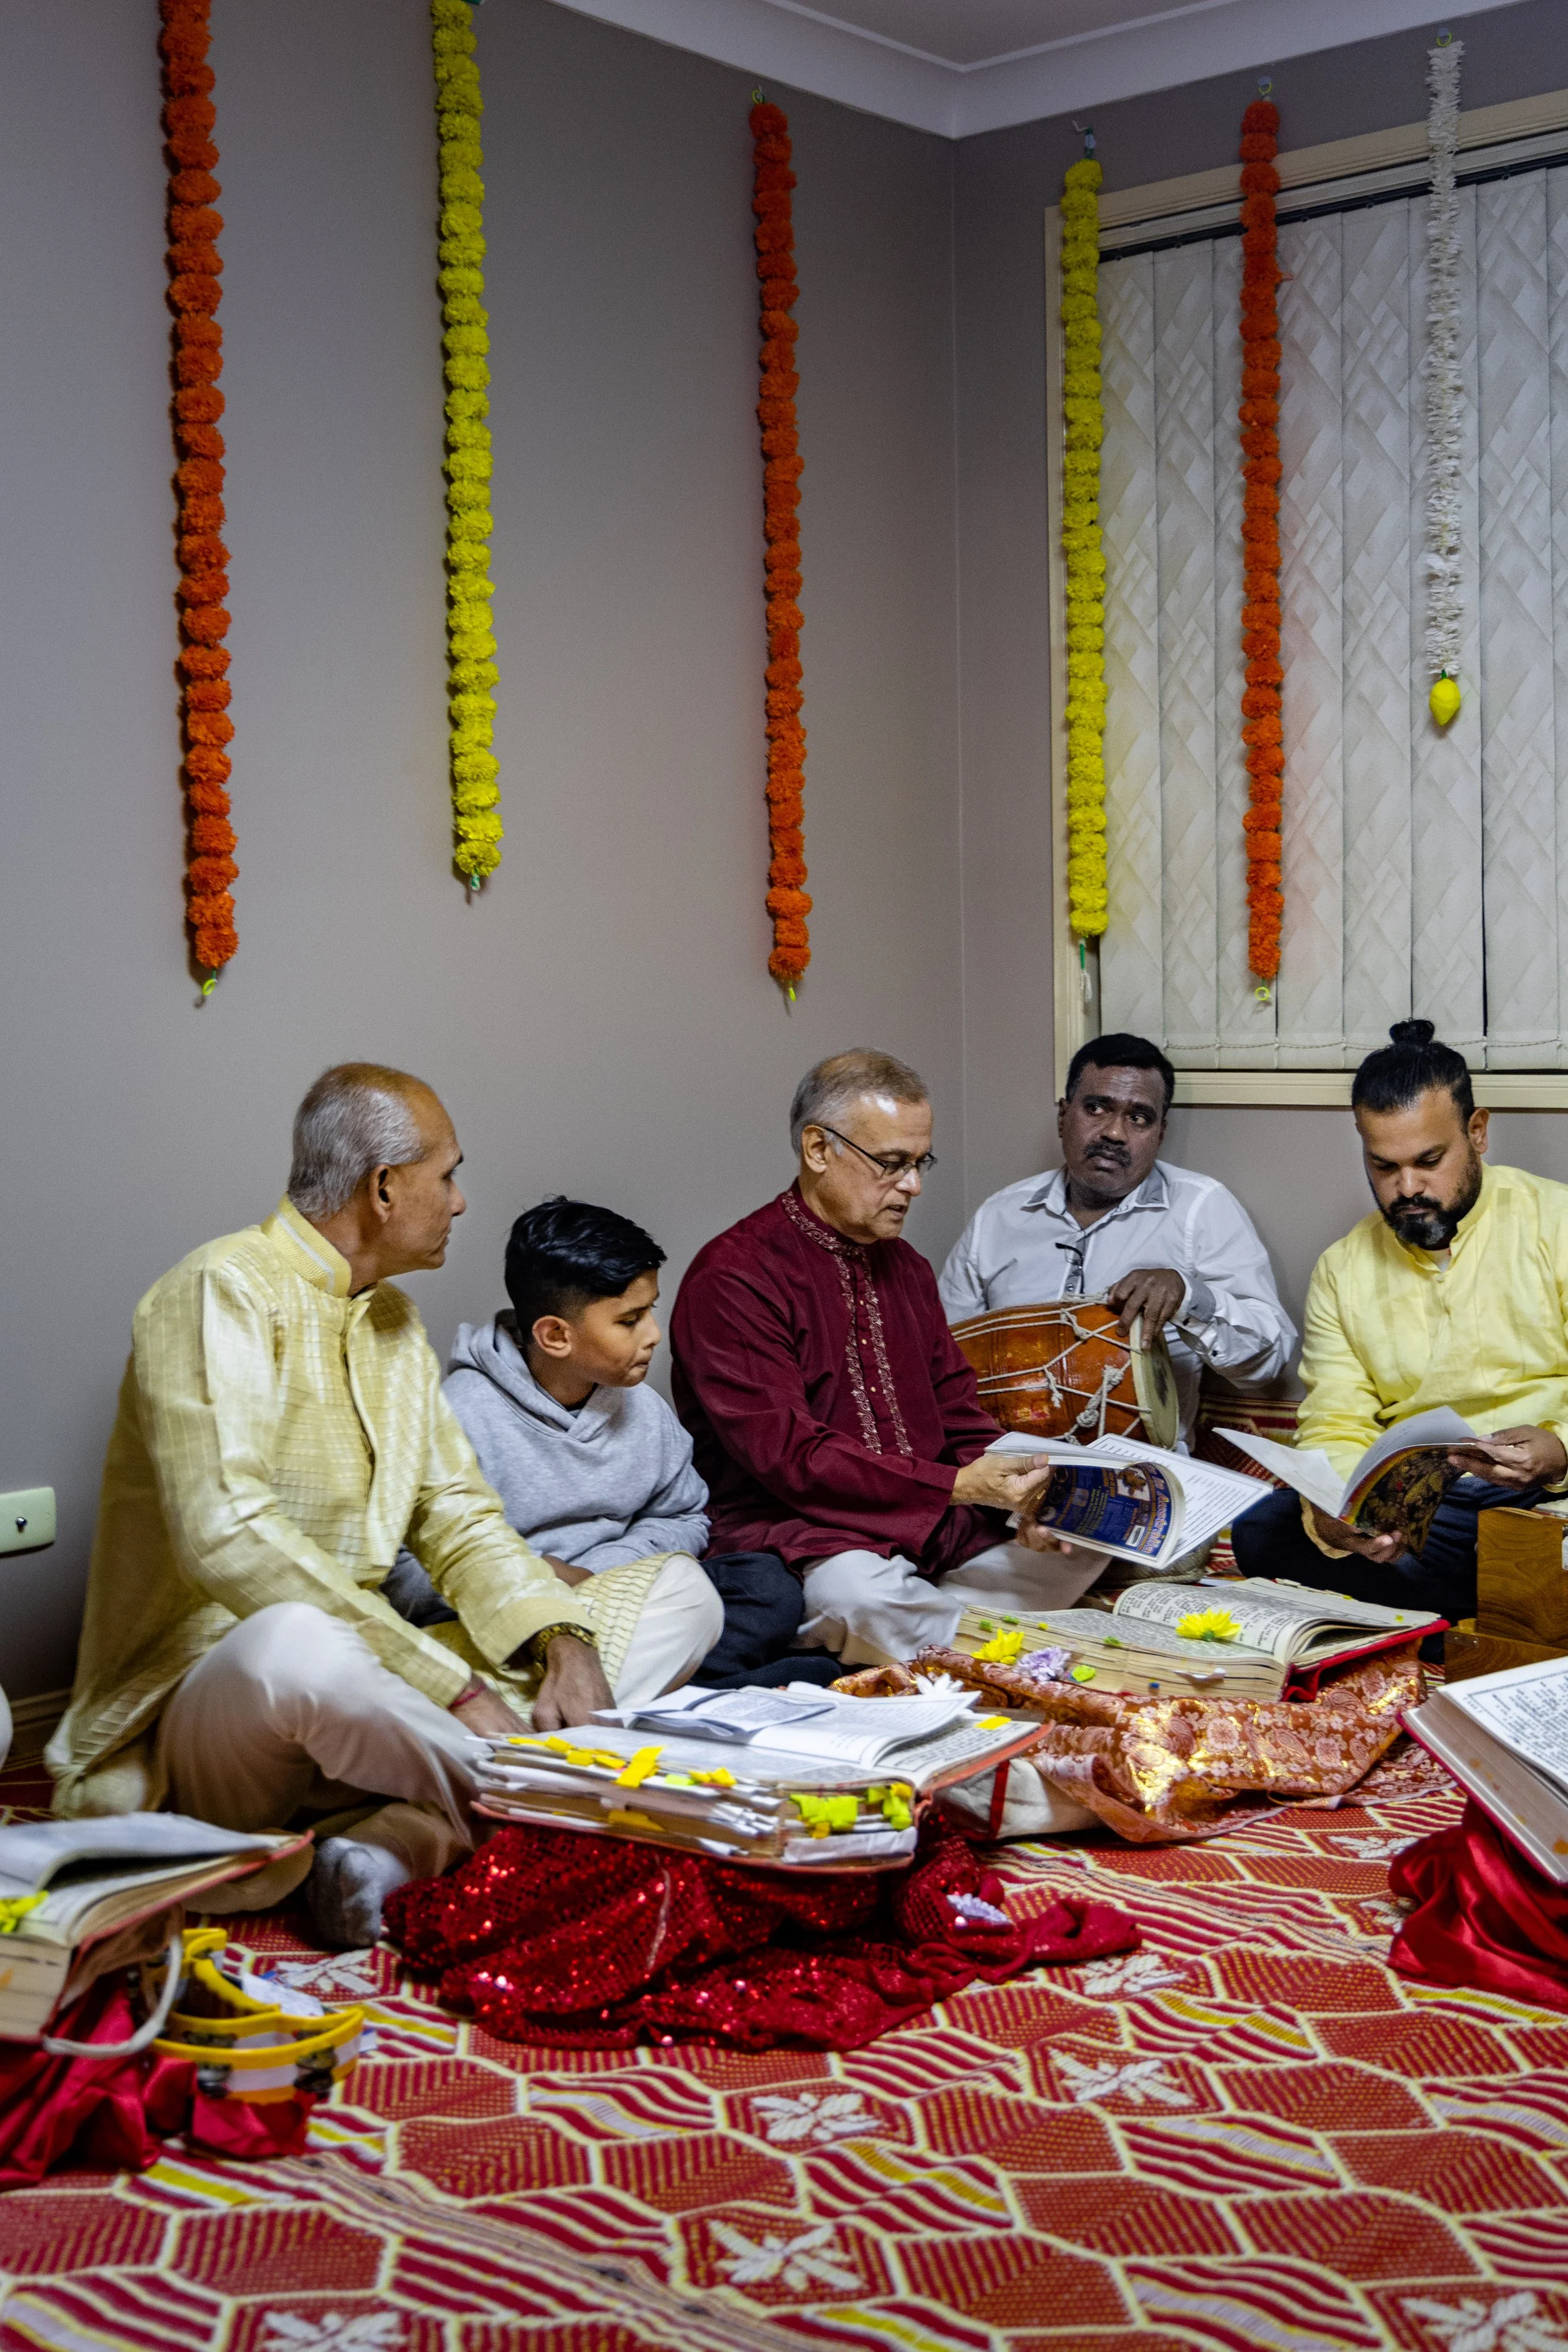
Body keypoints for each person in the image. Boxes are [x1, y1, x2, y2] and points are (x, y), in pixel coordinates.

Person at [46, 1065, 721, 1947]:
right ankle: (572, 1803)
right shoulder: (220, 1288)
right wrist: (458, 1687)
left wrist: (564, 1640)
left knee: (683, 1591)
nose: (461, 1200)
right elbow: (229, 1536)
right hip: (223, 1711)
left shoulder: (396, 1326)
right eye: (448, 1175)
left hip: (381, 1695)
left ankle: (404, 1837)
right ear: (384, 1187)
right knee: (298, 1638)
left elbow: (462, 1519)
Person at [670, 1048, 1108, 1667]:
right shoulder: (734, 1277)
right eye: (892, 1164)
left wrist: (1030, 1496)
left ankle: (936, 1630)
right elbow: (789, 1456)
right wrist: (956, 1487)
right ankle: (980, 1645)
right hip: (808, 1532)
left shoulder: (907, 1269)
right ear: (818, 1150)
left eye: (920, 1162)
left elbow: (957, 1411)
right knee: (856, 1595)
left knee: (1086, 1528)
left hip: (935, 1524)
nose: (914, 1186)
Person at [399, 1195, 832, 1687]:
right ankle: (690, 1688)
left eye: (651, 1311)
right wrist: (540, 1576)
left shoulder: (642, 1407)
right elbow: (406, 1571)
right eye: (629, 1321)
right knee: (447, 1645)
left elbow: (685, 1516)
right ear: (556, 1336)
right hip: (519, 1610)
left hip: (629, 1592)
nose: (653, 1335)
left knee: (766, 1587)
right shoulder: (458, 1415)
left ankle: (657, 1687)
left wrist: (603, 1572)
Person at [1231, 1020, 1568, 1621]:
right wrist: (1339, 1515)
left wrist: (1560, 1448)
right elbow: (1335, 1418)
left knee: (1536, 1545)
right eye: (1384, 1167)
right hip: (1431, 1511)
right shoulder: (1343, 1267)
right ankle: (1480, 1613)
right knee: (1265, 1531)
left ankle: (1458, 1613)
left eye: (1429, 1161)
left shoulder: (1556, 1222)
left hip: (1543, 1493)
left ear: (1478, 1132)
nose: (1408, 1188)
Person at [939, 1032, 1294, 1451]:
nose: (1114, 1132)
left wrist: (1189, 1296)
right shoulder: (998, 1217)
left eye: (1139, 1118)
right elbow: (943, 1358)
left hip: (1145, 1476)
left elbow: (1268, 1362)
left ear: (1160, 1134)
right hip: (1007, 1469)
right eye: (1096, 1108)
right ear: (1063, 1116)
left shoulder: (1201, 1209)